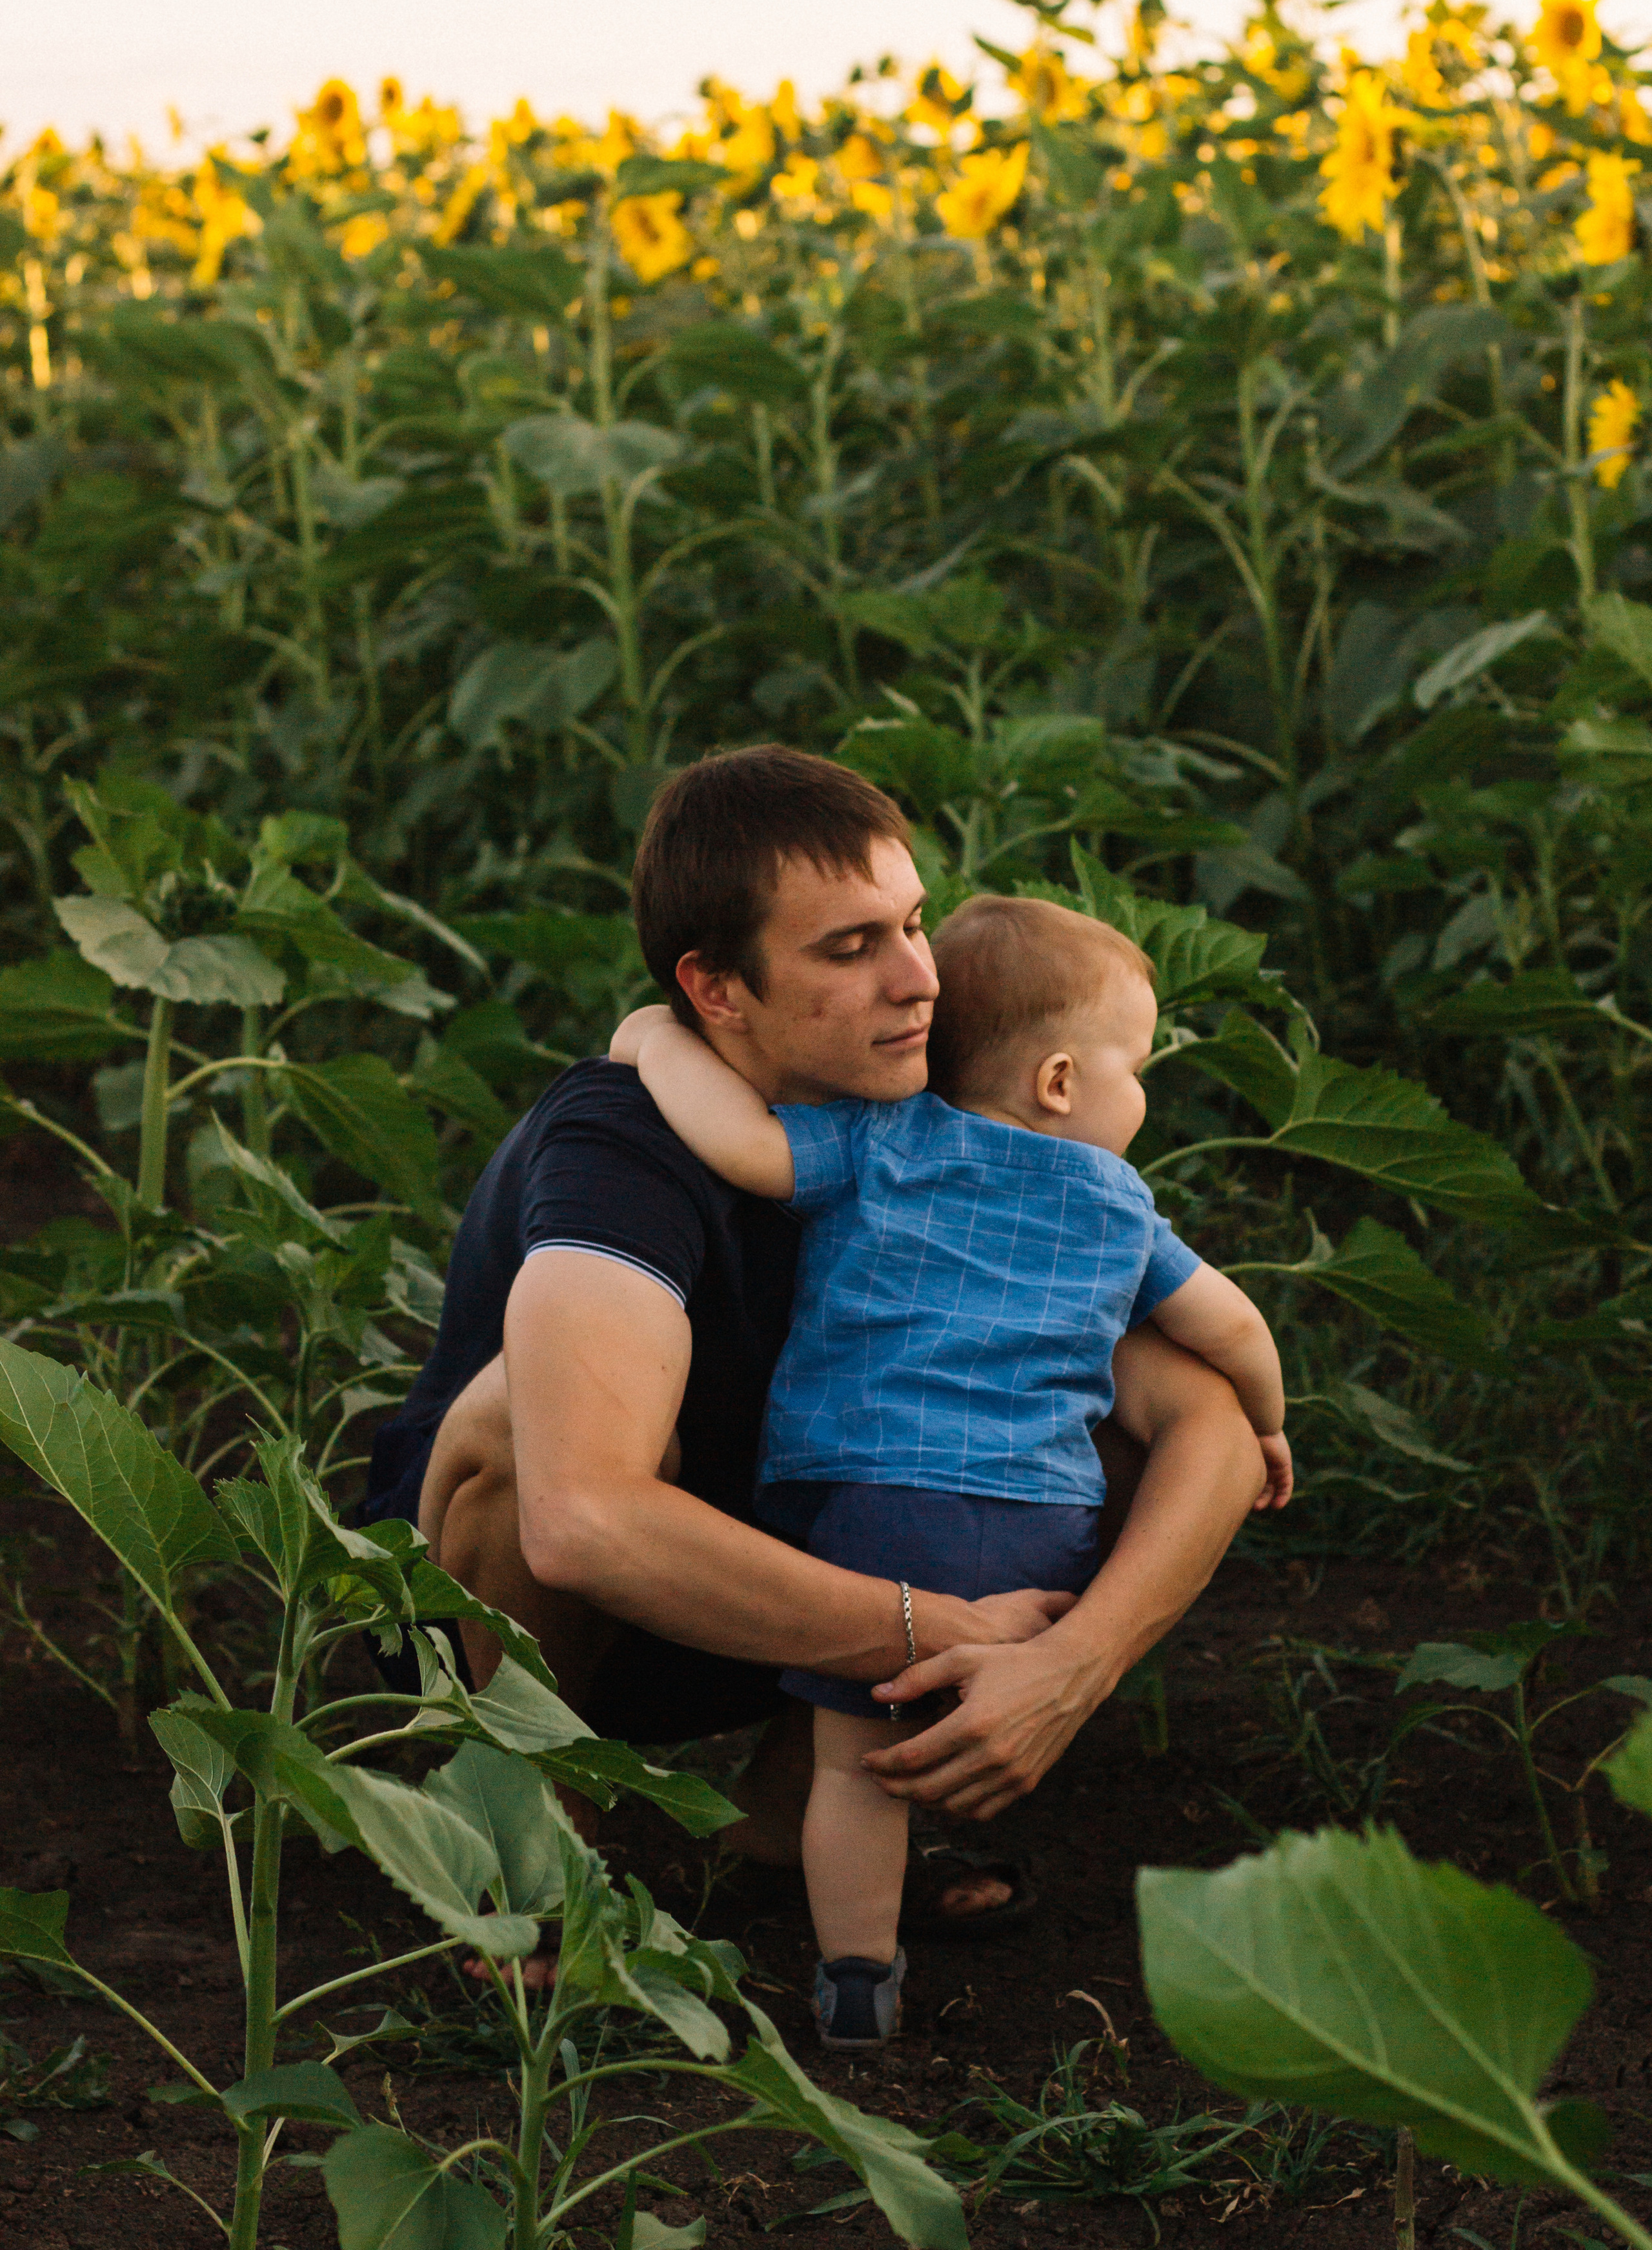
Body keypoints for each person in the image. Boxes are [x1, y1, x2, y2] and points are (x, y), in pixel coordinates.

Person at [363, 747, 1265, 1965]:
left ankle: (801, 1816)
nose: (917, 981)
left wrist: (1070, 1663)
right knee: (530, 1423)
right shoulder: (621, 1148)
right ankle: (531, 1834)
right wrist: (943, 1628)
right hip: (544, 1613)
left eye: (913, 926)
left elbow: (1209, 1419)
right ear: (717, 991)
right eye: (849, 950)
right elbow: (576, 1521)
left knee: (1075, 1407)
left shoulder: (945, 1129)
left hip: (800, 1579)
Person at [609, 890, 1290, 2047]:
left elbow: (741, 1144)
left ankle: (858, 1974)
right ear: (1062, 1083)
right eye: (1139, 1069)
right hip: (1044, 1518)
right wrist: (1270, 1427)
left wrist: (652, 1040)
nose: (1145, 1096)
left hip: (864, 1504)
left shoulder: (881, 1144)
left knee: (856, 1767)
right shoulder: (1122, 1205)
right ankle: (982, 1746)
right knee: (930, 1735)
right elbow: (1232, 1331)